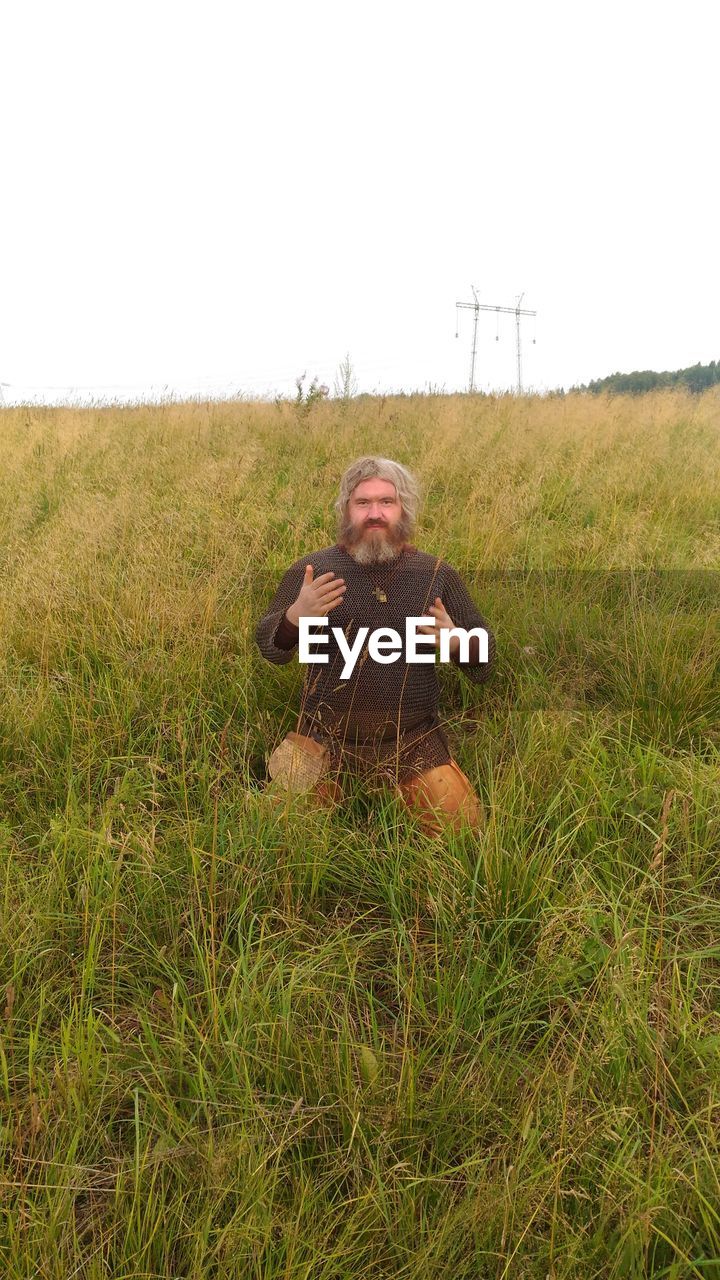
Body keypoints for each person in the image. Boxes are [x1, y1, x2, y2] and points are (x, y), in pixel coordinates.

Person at [254, 456, 495, 837]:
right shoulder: (312, 571)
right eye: (362, 502)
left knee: (463, 836)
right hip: (322, 739)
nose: (375, 514)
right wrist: (295, 616)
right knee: (279, 835)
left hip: (413, 742)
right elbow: (271, 648)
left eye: (387, 502)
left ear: (404, 509)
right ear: (346, 510)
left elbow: (484, 665)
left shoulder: (435, 574)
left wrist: (457, 642)